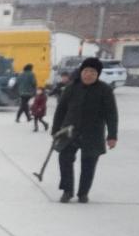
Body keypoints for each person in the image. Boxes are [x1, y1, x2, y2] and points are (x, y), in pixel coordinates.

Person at [51, 57, 118, 203]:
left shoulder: (105, 90)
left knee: (89, 164)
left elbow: (111, 114)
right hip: (70, 131)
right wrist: (55, 130)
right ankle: (67, 191)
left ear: (98, 74)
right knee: (64, 159)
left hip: (93, 133)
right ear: (81, 72)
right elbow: (60, 110)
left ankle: (83, 193)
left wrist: (112, 136)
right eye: (86, 71)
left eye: (93, 72)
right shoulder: (71, 88)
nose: (88, 75)